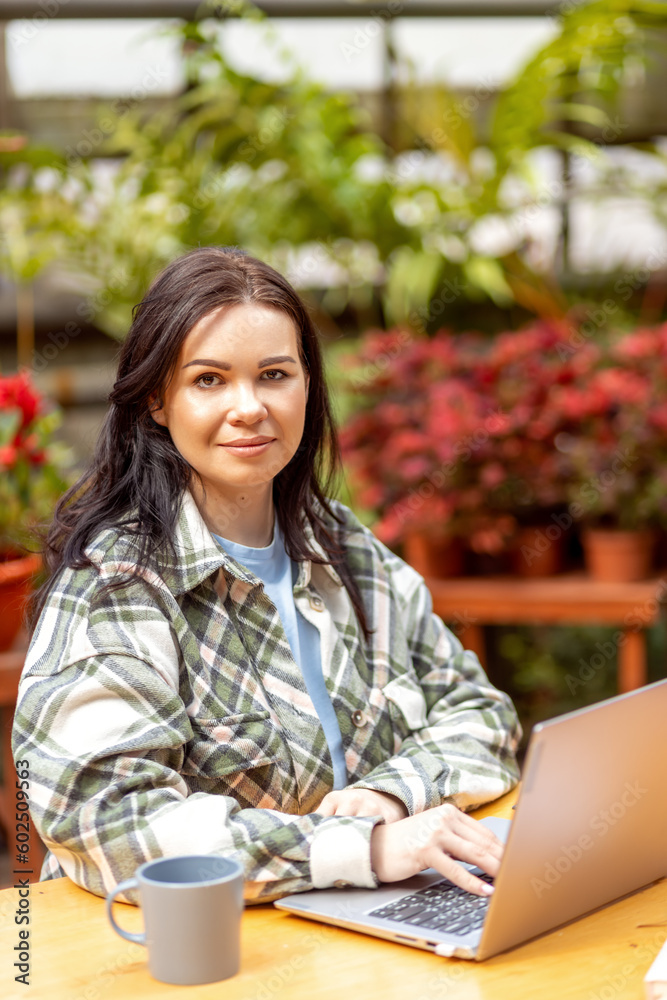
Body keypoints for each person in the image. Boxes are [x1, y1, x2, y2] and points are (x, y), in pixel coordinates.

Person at [12, 246, 521, 905]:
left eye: (274, 374)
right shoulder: (119, 584)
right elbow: (108, 819)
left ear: (308, 385)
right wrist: (359, 850)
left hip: (353, 925)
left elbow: (480, 712)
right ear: (156, 401)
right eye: (209, 380)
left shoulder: (344, 551)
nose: (248, 406)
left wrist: (390, 793)